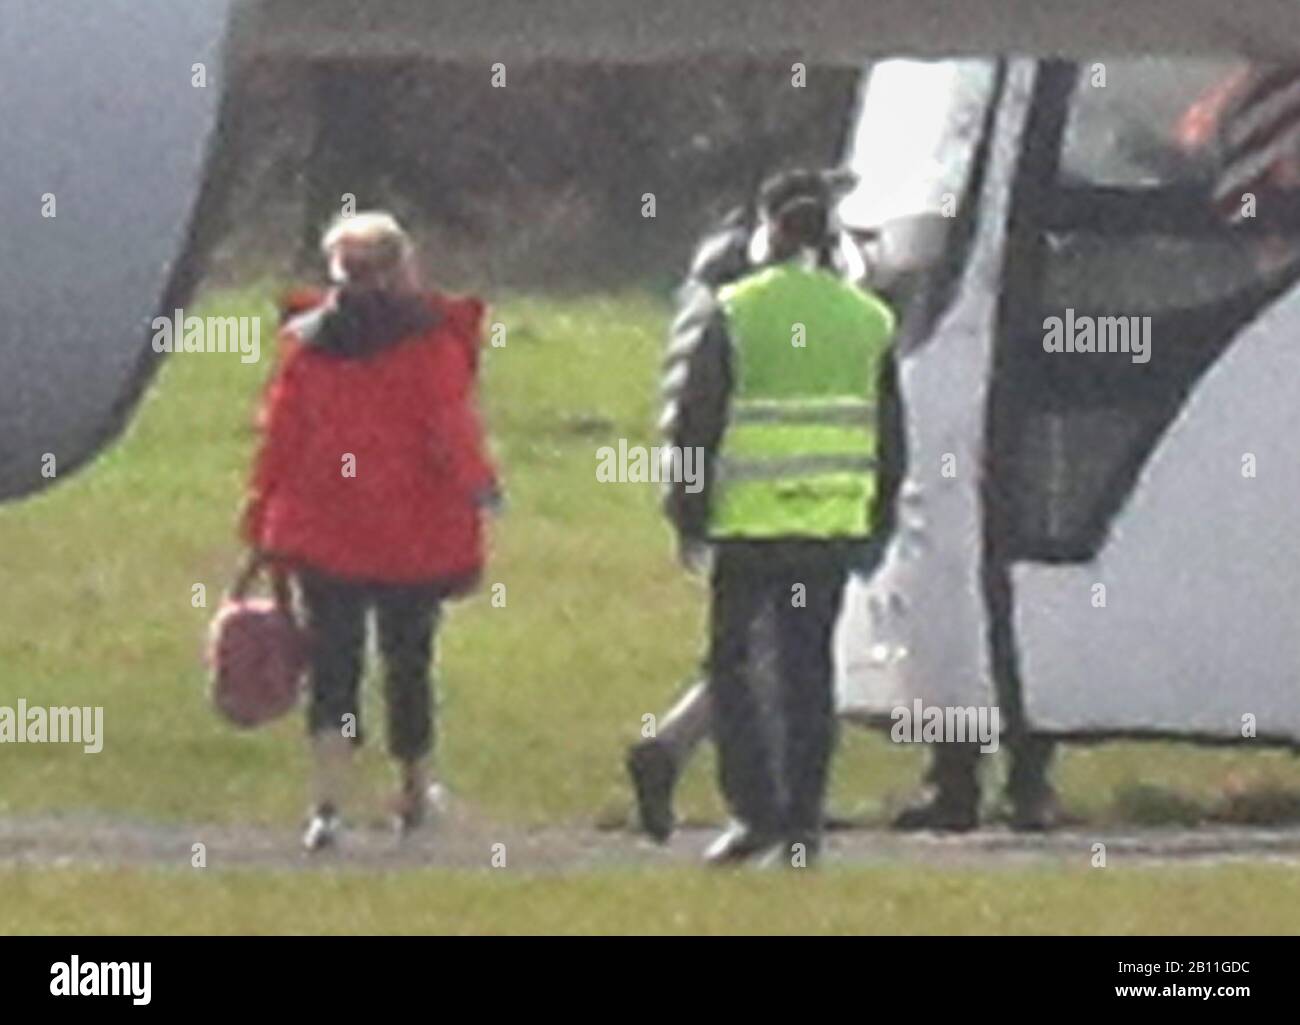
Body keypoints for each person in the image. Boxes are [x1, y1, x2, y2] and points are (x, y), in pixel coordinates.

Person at [660, 171, 901, 865]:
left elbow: (696, 424)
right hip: (827, 529)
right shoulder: (868, 318)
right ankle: (804, 824)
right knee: (807, 671)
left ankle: (753, 811)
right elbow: (892, 436)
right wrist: (877, 521)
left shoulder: (735, 310)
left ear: (769, 232)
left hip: (748, 528)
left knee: (733, 669)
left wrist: (687, 512)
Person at [240, 210, 499, 851]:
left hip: (325, 527)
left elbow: (281, 437)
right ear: (401, 267)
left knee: (334, 661)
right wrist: (482, 486)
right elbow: (448, 430)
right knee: (408, 660)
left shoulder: (307, 346)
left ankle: (327, 803)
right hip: (411, 532)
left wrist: (260, 515)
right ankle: (413, 791)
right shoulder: (430, 343)